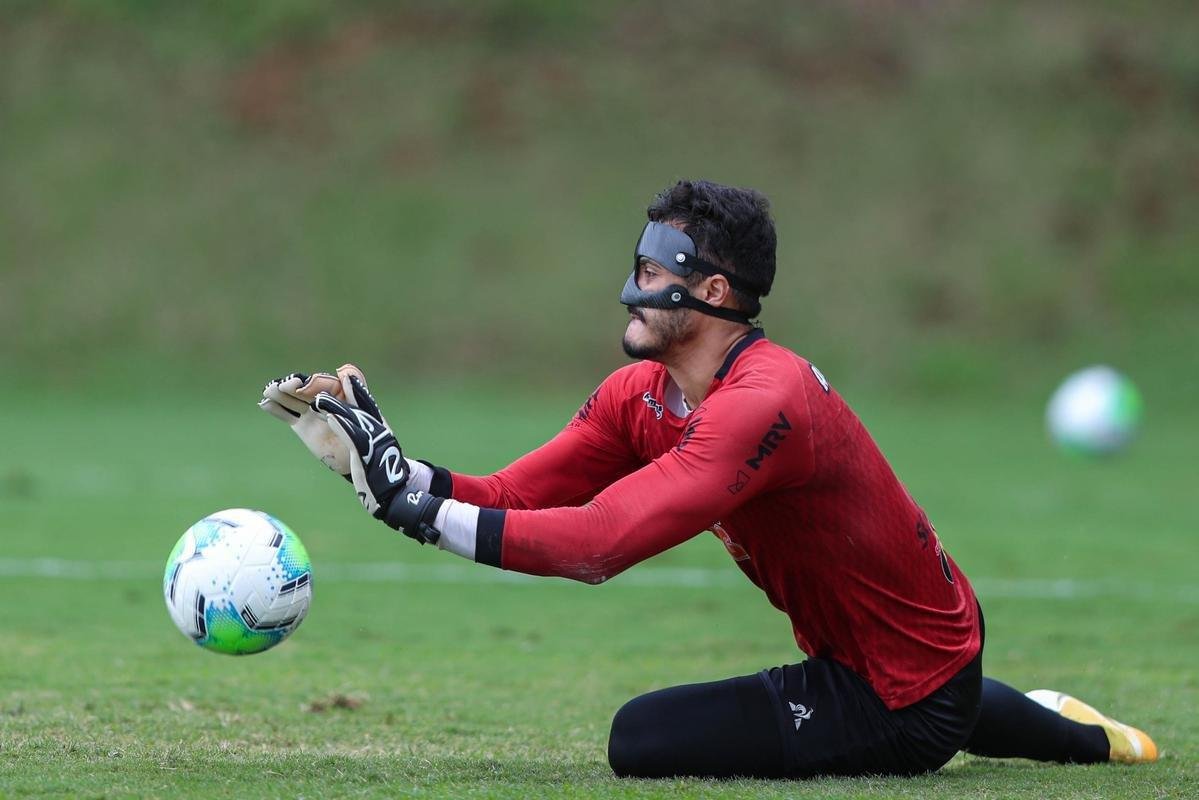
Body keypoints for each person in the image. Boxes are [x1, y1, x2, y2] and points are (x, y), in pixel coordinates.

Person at [260, 180, 1157, 779]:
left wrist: (416, 513)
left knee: (640, 738)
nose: (631, 288)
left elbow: (600, 545)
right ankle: (1079, 734)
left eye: (652, 273)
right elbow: (515, 497)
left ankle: (1057, 731)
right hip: (912, 651)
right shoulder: (639, 395)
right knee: (930, 684)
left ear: (714, 293)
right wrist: (394, 471)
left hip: (898, 692)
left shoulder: (764, 402)